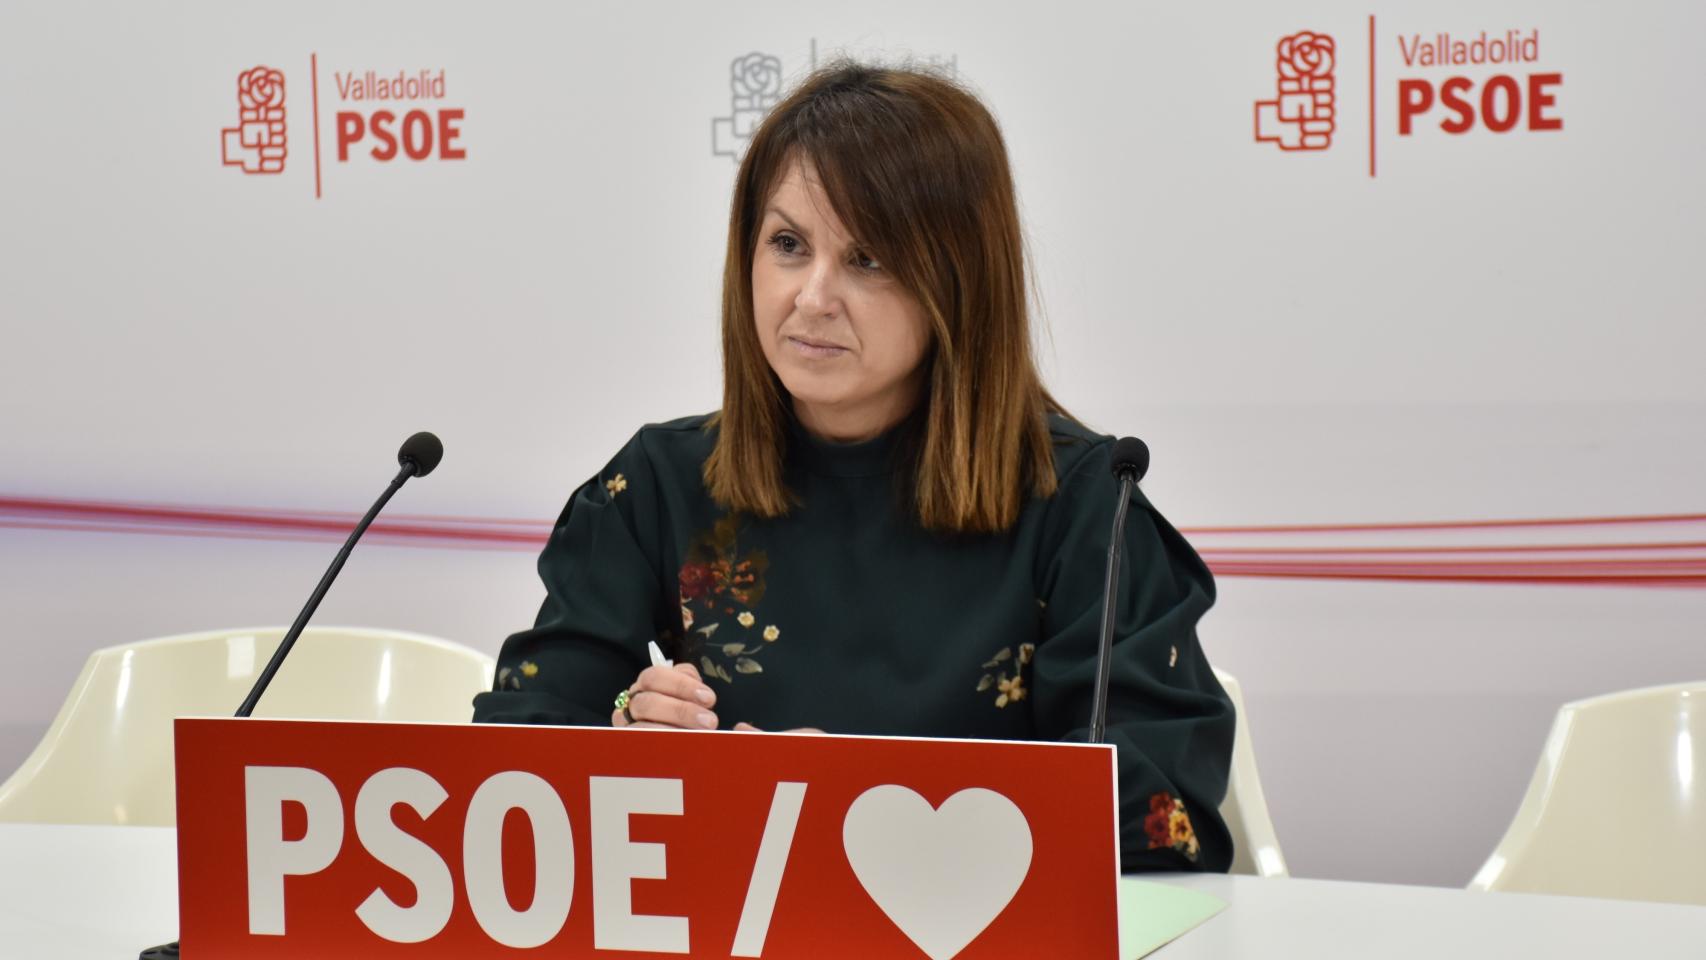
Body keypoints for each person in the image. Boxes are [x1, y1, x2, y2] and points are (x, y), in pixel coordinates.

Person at [473, 61, 1235, 871]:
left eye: (868, 258)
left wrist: (859, 798)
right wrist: (624, 734)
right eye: (788, 245)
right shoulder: (658, 483)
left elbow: (1163, 822)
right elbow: (513, 763)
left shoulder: (1081, 503)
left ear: (960, 280)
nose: (812, 298)